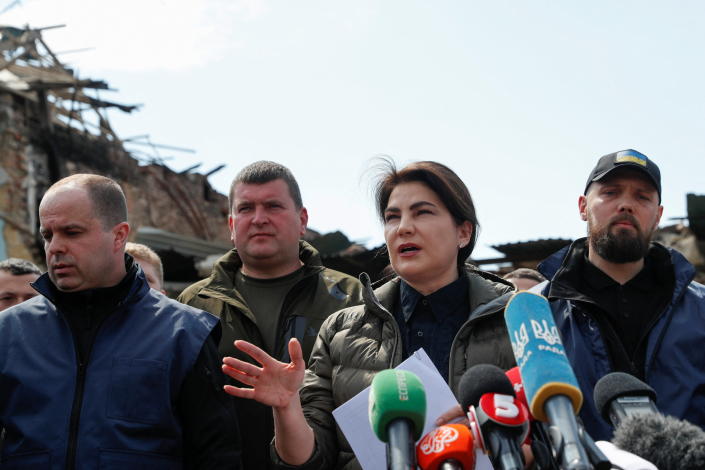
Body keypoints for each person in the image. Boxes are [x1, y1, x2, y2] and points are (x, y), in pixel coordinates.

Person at [221, 160, 517, 469]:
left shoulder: (516, 319)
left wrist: (499, 441)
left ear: (464, 232)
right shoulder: (340, 331)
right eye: (392, 217)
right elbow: (310, 460)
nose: (403, 227)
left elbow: (550, 438)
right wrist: (287, 408)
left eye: (422, 212)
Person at [0, 174, 241, 468]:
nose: (55, 248)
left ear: (118, 235)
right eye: (48, 235)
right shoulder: (9, 332)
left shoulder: (185, 334)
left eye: (72, 232)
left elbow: (216, 456)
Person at [178, 161, 363, 469]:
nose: (259, 219)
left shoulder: (349, 298)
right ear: (231, 225)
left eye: (273, 206)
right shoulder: (195, 303)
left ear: (302, 220)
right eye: (246, 208)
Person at [536, 149, 705, 440]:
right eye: (611, 192)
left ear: (658, 215)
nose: (626, 204)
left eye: (642, 197)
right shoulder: (535, 313)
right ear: (582, 206)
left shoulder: (700, 309)